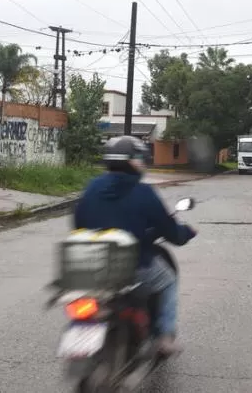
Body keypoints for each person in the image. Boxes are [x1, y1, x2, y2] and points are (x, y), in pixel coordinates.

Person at [73, 135, 196, 356]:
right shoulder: (143, 192)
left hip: (89, 266)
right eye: (139, 158)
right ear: (133, 161)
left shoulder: (92, 187)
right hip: (133, 266)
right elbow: (168, 229)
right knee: (168, 281)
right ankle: (164, 336)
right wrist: (185, 233)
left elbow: (78, 223)